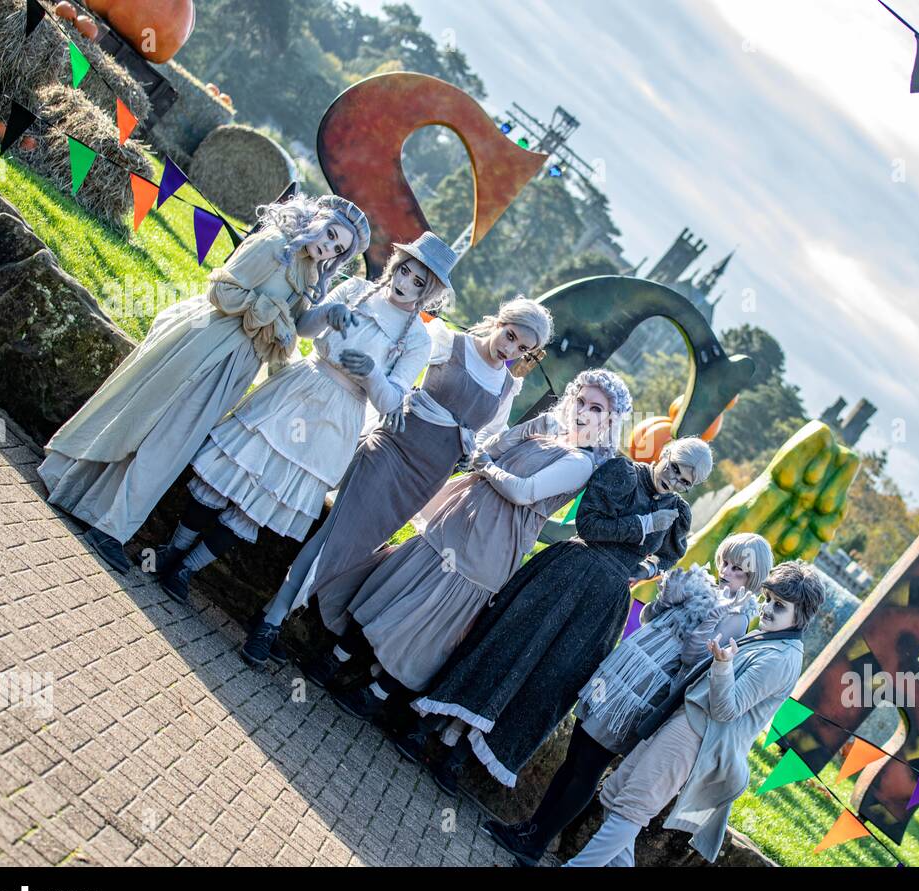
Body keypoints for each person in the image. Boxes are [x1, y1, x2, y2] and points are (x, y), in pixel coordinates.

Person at [38, 194, 369, 573]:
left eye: (337, 248)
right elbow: (222, 290)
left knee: (175, 443)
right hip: (207, 343)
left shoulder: (309, 269)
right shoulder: (275, 244)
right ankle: (86, 502)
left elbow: (296, 326)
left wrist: (321, 314)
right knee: (147, 419)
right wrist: (272, 314)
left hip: (238, 364)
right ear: (317, 218)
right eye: (330, 234)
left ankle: (108, 524)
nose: (328, 247)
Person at [236, 294, 555, 664]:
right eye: (511, 336)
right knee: (335, 538)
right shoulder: (447, 341)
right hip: (390, 451)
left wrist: (476, 449)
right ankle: (269, 622)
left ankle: (275, 614)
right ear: (500, 322)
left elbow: (486, 438)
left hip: (426, 478)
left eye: (523, 348)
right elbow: (395, 374)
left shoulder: (506, 387)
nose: (510, 349)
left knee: (355, 550)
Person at [151, 233, 453, 620]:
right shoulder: (358, 289)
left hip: (338, 417)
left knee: (264, 498)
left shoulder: (416, 339)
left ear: (428, 293)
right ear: (395, 265)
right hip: (300, 386)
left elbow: (392, 401)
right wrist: (327, 314)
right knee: (231, 469)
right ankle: (171, 550)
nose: (405, 283)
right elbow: (303, 329)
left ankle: (188, 568)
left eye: (417, 282)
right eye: (405, 271)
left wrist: (373, 374)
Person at [306, 370, 633, 720]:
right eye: (581, 400)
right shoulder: (549, 430)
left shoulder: (582, 463)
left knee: (432, 618)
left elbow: (524, 492)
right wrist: (521, 433)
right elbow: (491, 447)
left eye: (596, 408)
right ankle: (335, 658)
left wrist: (489, 468)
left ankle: (376, 693)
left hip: (494, 542)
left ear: (610, 420)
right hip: (463, 514)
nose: (583, 411)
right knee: (400, 585)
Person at [401, 437, 715, 796]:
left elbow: (670, 556)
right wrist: (643, 524)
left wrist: (645, 570)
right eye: (675, 469)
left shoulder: (677, 513)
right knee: (506, 643)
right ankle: (428, 726)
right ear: (666, 454)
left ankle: (459, 756)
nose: (675, 482)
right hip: (567, 572)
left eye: (686, 482)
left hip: (604, 603)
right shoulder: (621, 472)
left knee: (547, 678)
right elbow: (590, 525)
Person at [483, 532, 774, 865]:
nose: (727, 570)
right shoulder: (705, 586)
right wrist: (669, 598)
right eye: (726, 561)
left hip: (643, 693)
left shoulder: (736, 616)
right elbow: (650, 617)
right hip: (622, 675)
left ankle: (537, 844)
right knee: (575, 756)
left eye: (739, 569)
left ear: (752, 578)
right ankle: (530, 829)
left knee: (588, 768)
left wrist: (706, 616)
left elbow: (696, 660)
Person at [563, 559, 824, 866]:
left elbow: (727, 709)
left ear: (800, 615)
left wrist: (723, 665)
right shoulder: (772, 640)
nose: (767, 609)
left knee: (631, 807)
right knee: (616, 794)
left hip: (697, 735)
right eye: (769, 600)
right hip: (683, 721)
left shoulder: (782, 656)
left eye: (780, 606)